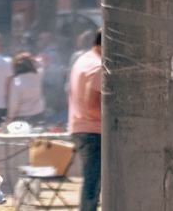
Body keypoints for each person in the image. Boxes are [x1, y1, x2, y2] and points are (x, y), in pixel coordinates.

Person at [67, 30, 103, 211]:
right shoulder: (97, 67)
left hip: (79, 128)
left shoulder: (82, 60)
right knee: (92, 184)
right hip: (94, 131)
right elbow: (91, 104)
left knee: (92, 182)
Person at [7, 53, 45, 124]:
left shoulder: (16, 81)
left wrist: (10, 117)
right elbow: (41, 64)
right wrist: (33, 60)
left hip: (21, 118)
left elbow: (14, 103)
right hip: (38, 115)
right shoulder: (38, 76)